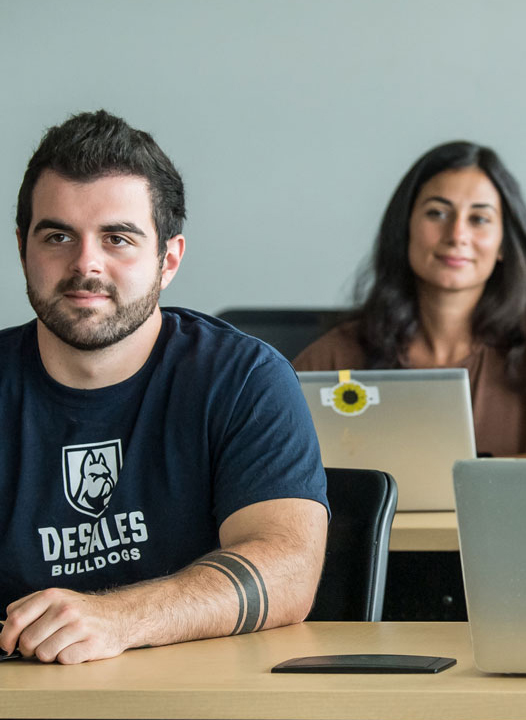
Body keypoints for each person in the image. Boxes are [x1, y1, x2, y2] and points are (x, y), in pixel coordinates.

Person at [0, 110, 329, 664]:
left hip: (202, 699)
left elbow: (289, 567)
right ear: (22, 249)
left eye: (118, 239)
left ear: (168, 259)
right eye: (58, 236)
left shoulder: (243, 378)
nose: (86, 265)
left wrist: (120, 617)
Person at [294, 141, 526, 459]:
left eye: (479, 219)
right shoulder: (340, 351)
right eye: (437, 213)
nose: (457, 234)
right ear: (405, 228)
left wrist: (476, 479)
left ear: (503, 244)